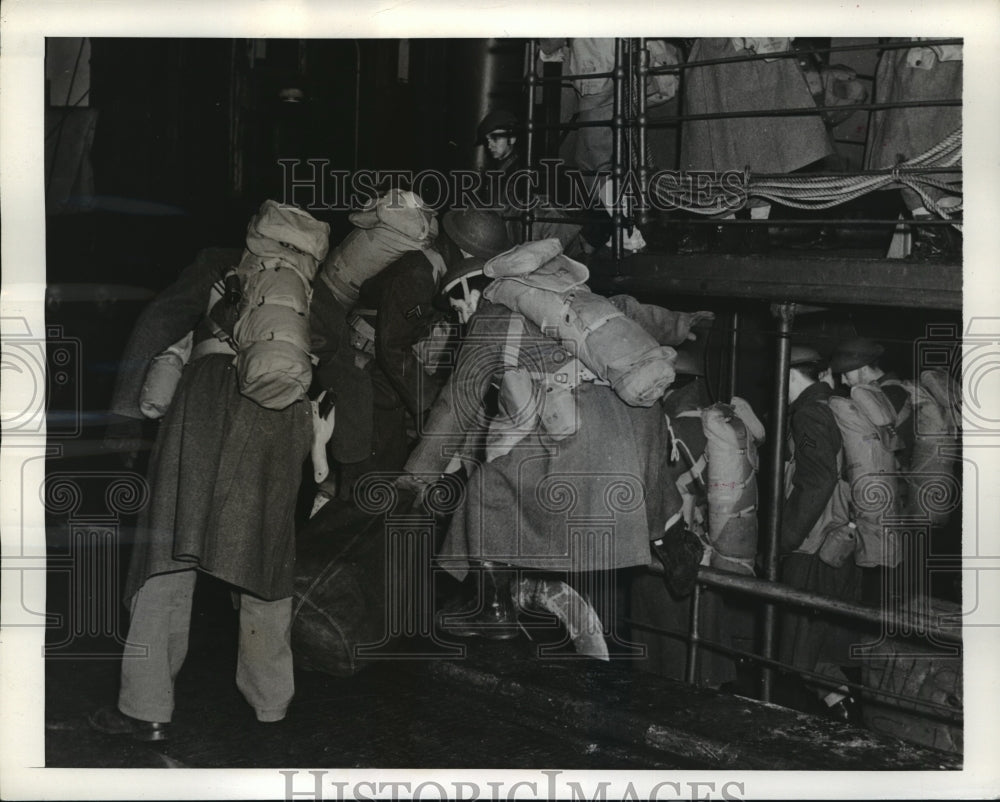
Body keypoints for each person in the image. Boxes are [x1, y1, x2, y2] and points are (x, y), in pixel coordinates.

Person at [89, 204, 342, 741]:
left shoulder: (218, 263)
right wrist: (350, 458)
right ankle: (272, 705)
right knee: (268, 558)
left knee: (167, 558)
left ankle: (146, 707)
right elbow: (341, 359)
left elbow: (157, 322)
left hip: (202, 412)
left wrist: (124, 422)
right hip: (278, 420)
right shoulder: (311, 290)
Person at [401, 239, 712, 640]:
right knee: (644, 480)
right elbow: (639, 314)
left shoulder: (492, 319)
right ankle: (671, 537)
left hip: (581, 432)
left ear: (472, 290)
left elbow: (455, 405)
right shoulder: (579, 297)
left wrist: (416, 477)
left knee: (485, 491)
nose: (460, 314)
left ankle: (494, 611)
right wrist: (687, 322)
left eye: (458, 304)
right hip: (639, 426)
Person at [629, 346, 746, 688]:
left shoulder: (669, 426)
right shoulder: (713, 420)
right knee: (699, 649)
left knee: (664, 658)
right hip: (707, 544)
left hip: (668, 549)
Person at [678, 38, 835, 254]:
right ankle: (728, 228)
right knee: (714, 143)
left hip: (755, 51)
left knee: (761, 145)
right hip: (718, 51)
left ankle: (755, 229)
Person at [779, 346, 862, 723]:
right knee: (818, 643)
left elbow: (817, 480)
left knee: (802, 647)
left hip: (813, 541)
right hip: (838, 536)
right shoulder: (833, 403)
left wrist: (785, 538)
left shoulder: (809, 413)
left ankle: (841, 713)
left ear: (790, 373)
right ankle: (843, 707)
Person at [865, 39, 962, 259]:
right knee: (905, 153)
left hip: (945, 53)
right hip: (912, 53)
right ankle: (933, 238)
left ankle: (941, 238)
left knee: (940, 155)